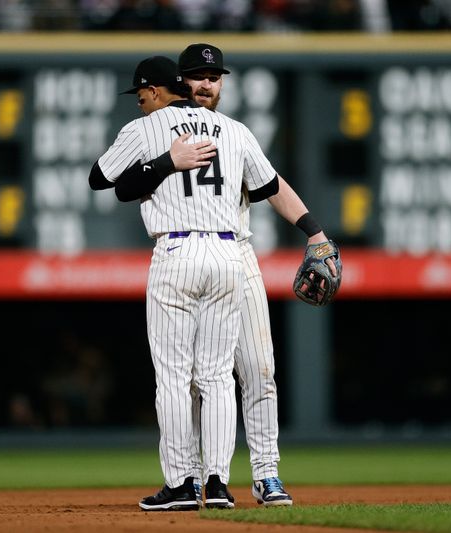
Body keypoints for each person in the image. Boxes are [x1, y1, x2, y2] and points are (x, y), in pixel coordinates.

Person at [104, 43, 336, 507]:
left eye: (214, 77)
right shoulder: (209, 129)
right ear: (178, 82)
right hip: (222, 257)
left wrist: (315, 232)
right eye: (195, 77)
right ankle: (204, 479)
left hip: (231, 251)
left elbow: (270, 185)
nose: (206, 84)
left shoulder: (214, 131)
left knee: (256, 371)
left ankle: (260, 475)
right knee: (207, 378)